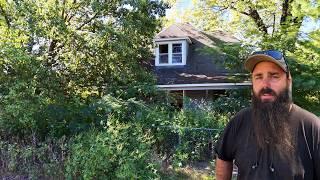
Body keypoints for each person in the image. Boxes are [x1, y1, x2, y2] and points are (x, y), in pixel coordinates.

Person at [214, 50, 320, 180]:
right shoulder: (240, 120)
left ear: (288, 81)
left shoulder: (312, 127)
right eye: (258, 77)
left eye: (274, 76)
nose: (265, 84)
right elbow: (223, 157)